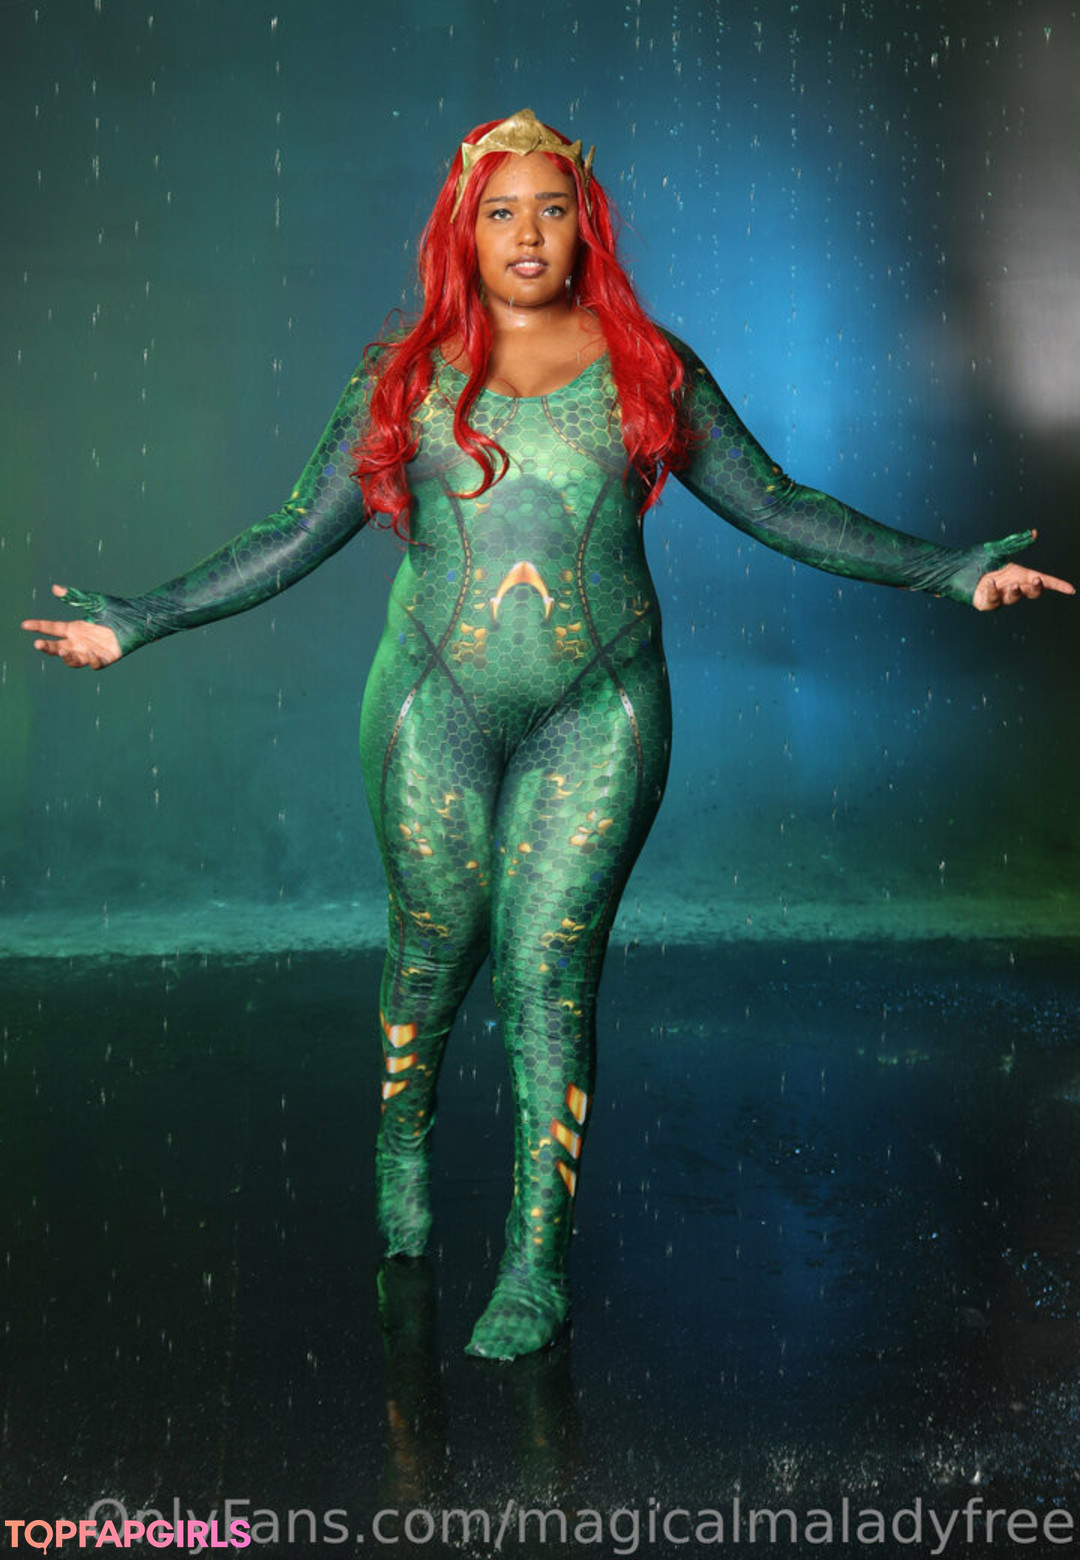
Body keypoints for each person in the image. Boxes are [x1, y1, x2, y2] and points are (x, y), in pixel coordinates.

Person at [22, 110, 1074, 1361]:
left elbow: (779, 505)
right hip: (432, 704)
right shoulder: (403, 375)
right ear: (462, 231)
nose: (528, 234)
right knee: (432, 949)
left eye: (553, 209)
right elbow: (293, 533)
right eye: (502, 211)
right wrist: (137, 621)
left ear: (587, 226)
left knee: (548, 969)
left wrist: (949, 570)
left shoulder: (647, 366)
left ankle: (536, 1259)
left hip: (601, 709)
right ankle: (402, 1140)